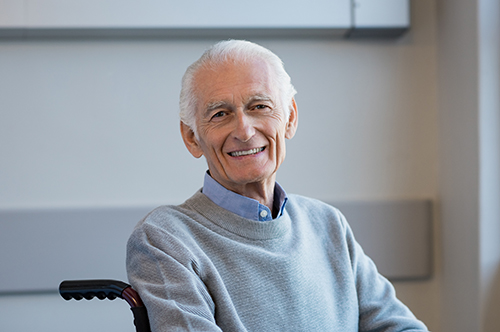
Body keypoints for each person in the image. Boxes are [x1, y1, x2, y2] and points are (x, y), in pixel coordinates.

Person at [126, 40, 428, 331]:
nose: (244, 131)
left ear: (290, 118)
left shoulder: (327, 223)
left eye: (259, 106)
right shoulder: (165, 239)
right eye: (220, 114)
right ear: (192, 137)